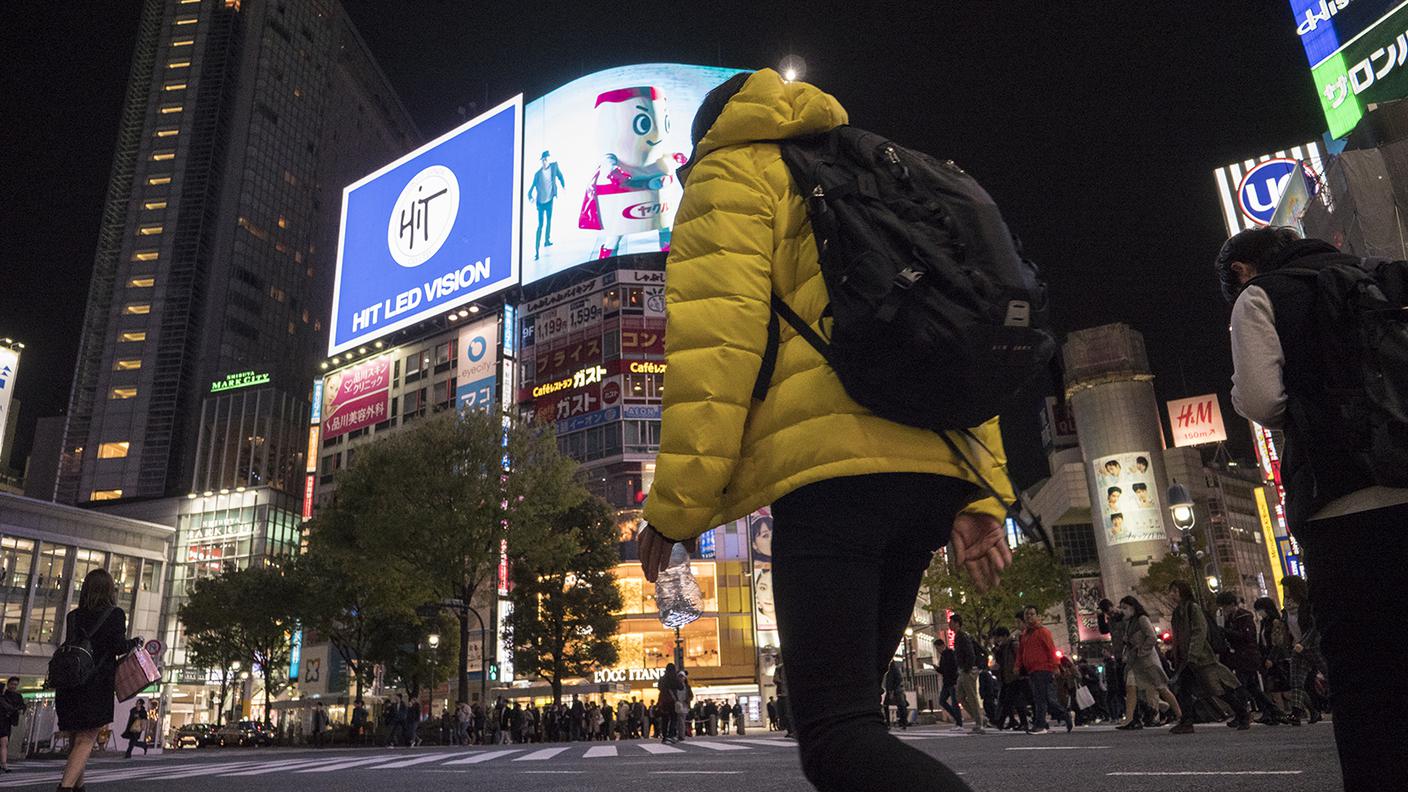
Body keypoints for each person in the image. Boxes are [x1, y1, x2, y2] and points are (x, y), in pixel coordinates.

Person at [636, 68, 1015, 792]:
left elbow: (719, 348)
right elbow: (968, 327)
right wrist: (981, 491)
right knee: (857, 724)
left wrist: (678, 507)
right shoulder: (871, 164)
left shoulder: (730, 174)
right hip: (930, 470)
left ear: (709, 131)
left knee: (837, 735)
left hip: (834, 481)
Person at [1218, 226, 1408, 788]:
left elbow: (1259, 399)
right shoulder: (1386, 273)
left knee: (1367, 680)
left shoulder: (1262, 295)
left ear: (1240, 272)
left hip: (1342, 507)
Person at [56, 568, 135, 792]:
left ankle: (78, 787)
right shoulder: (115, 614)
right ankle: (65, 787)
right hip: (95, 683)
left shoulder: (74, 615)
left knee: (75, 738)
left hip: (68, 683)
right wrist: (134, 643)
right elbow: (118, 647)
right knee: (86, 738)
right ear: (109, 589)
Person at [1166, 580, 1251, 733]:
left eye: (1175, 591)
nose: (1172, 595)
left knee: (1216, 688)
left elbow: (1200, 631)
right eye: (1171, 591)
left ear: (1183, 591)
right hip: (1185, 658)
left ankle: (1242, 713)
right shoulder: (1177, 611)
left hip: (1199, 657)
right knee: (1184, 689)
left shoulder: (1192, 608)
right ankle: (1187, 721)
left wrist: (1193, 653)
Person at [1215, 591, 1283, 724]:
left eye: (1225, 607)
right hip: (1239, 657)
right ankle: (1272, 710)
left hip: (1247, 656)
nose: (1224, 610)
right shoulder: (1230, 618)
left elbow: (1247, 636)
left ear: (1232, 605)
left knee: (1241, 685)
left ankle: (1243, 715)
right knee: (1251, 687)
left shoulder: (1244, 616)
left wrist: (1225, 632)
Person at [1115, 595, 1180, 731]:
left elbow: (1152, 637)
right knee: (1130, 687)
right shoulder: (1129, 623)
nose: (1123, 611)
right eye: (1121, 608)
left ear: (1133, 607)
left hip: (1147, 660)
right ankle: (1129, 719)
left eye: (1125, 608)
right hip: (1134, 662)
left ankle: (1180, 715)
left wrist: (1142, 651)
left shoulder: (1142, 619)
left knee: (1162, 688)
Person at [1018, 605, 1071, 734]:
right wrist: (1018, 665)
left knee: (1040, 698)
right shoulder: (1025, 634)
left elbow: (1051, 649)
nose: (1029, 617)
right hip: (1032, 669)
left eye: (1032, 614)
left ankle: (1040, 725)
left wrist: (1055, 666)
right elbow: (1021, 652)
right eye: (1027, 614)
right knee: (1044, 698)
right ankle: (1063, 715)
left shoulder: (1042, 632)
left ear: (1037, 616)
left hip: (1043, 668)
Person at [1281, 575, 1324, 725]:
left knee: (1328, 673)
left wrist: (1304, 643)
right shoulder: (1286, 608)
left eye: (1286, 586)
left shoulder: (1306, 605)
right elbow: (1286, 629)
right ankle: (1297, 713)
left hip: (1312, 647)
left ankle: (1317, 710)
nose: (1284, 590)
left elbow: (1314, 627)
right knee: (1296, 680)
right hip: (1297, 649)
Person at [527, 150, 565, 261]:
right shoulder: (537, 174)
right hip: (540, 202)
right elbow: (530, 190)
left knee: (549, 220)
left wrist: (563, 186)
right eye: (542, 160)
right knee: (540, 225)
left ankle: (547, 240)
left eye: (546, 159)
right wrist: (530, 198)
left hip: (549, 200)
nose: (544, 162)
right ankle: (536, 251)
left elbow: (560, 176)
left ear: (549, 159)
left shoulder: (554, 167)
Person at [950, 614, 985, 734]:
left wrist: (966, 668)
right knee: (960, 696)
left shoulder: (962, 636)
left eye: (951, 622)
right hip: (963, 670)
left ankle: (979, 723)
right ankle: (979, 719)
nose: (950, 624)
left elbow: (970, 653)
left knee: (971, 695)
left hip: (967, 670)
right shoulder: (959, 636)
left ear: (957, 623)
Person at [991, 625, 1028, 732]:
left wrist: (1019, 671)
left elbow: (1020, 658)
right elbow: (1000, 662)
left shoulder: (1013, 645)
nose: (998, 640)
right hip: (1007, 678)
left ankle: (1001, 722)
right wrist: (996, 649)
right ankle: (1008, 722)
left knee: (1012, 701)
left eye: (999, 637)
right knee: (1011, 701)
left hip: (1015, 677)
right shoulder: (1003, 647)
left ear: (1005, 636)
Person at [0, 676, 26, 772]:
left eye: (15, 685)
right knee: (4, 742)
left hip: (6, 721)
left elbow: (22, 706)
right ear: (8, 684)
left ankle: (4, 763)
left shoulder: (17, 696)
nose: (14, 686)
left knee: (4, 742)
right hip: (5, 720)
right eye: (12, 684)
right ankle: (4, 764)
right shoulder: (3, 695)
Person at [656, 663, 683, 744]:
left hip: (663, 701)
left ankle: (664, 736)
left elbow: (659, 687)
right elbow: (681, 687)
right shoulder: (675, 678)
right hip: (672, 700)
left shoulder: (662, 678)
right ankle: (671, 735)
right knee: (673, 718)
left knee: (665, 719)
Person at [936, 646, 962, 728]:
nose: (937, 650)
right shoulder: (943, 656)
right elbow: (943, 670)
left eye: (937, 648)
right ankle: (957, 718)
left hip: (952, 681)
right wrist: (937, 669)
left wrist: (955, 680)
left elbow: (953, 668)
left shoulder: (950, 654)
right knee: (942, 701)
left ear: (941, 646)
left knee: (954, 702)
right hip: (947, 682)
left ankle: (959, 722)